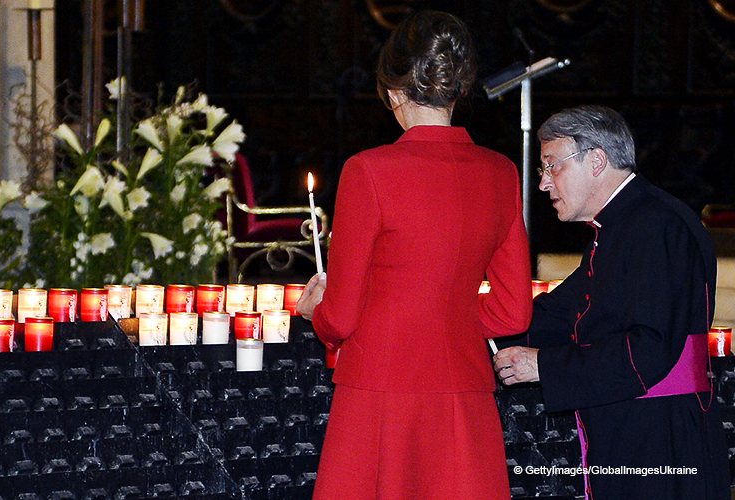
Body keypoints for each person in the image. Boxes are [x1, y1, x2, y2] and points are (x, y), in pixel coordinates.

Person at [295, 11, 532, 500]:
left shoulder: (369, 171)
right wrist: (448, 315)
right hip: (463, 393)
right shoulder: (500, 173)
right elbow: (513, 310)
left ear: (394, 92)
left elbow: (339, 318)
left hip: (379, 391)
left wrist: (313, 308)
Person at [493, 105, 729, 500]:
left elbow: (648, 350)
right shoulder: (621, 227)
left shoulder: (657, 226)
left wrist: (542, 365)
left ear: (597, 160)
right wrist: (469, 332)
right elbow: (557, 315)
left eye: (552, 166)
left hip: (662, 442)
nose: (543, 184)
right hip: (633, 431)